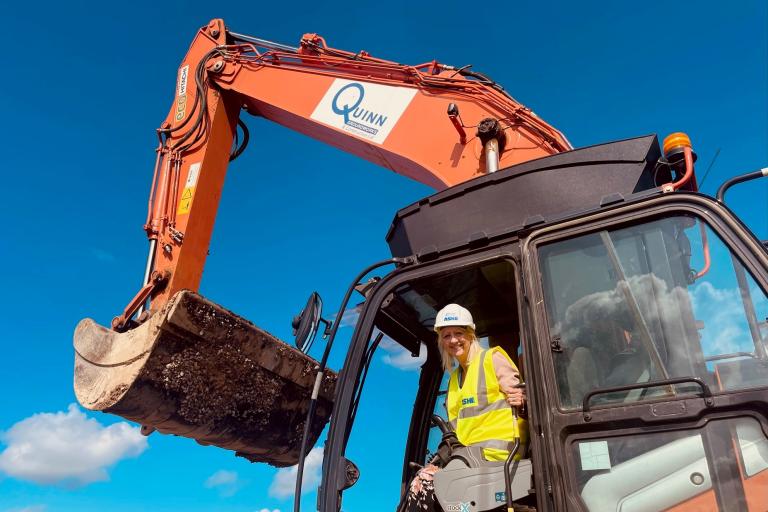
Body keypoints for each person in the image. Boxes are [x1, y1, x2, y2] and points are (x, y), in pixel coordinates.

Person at [404, 304, 527, 512]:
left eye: (458, 333)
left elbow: (521, 395)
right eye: (446, 335)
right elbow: (454, 432)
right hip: (469, 458)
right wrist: (440, 462)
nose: (453, 340)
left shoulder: (492, 358)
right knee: (420, 481)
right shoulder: (453, 381)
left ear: (470, 334)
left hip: (500, 455)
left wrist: (522, 398)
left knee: (427, 484)